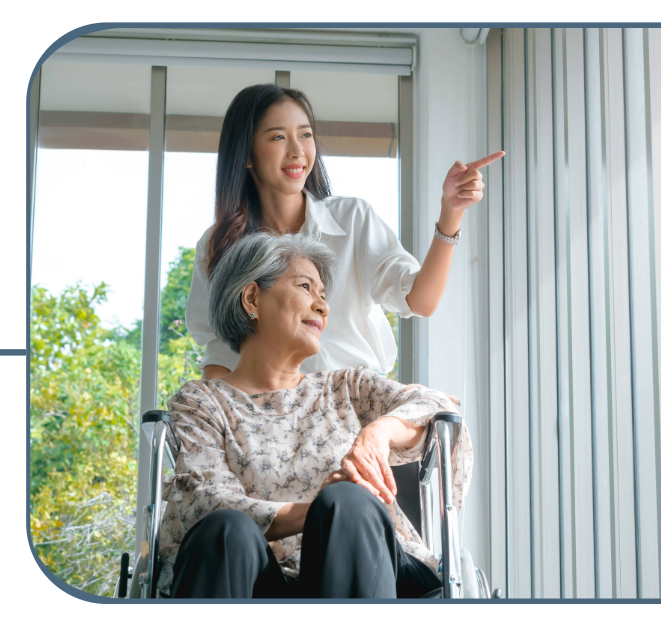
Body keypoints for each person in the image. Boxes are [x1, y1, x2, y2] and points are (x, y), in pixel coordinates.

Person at [158, 232, 473, 598]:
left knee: (349, 502)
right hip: (258, 581)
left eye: (323, 296)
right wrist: (317, 513)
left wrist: (378, 435)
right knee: (226, 529)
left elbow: (439, 408)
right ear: (251, 298)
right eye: (306, 287)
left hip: (377, 569)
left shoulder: (346, 387)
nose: (322, 307)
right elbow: (203, 501)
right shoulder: (202, 402)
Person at [187, 83, 503, 377]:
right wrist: (223, 421)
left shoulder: (352, 218)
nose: (297, 151)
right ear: (246, 155)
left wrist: (451, 213)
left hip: (356, 408)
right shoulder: (219, 244)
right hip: (269, 420)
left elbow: (420, 301)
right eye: (278, 137)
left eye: (306, 135)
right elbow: (218, 349)